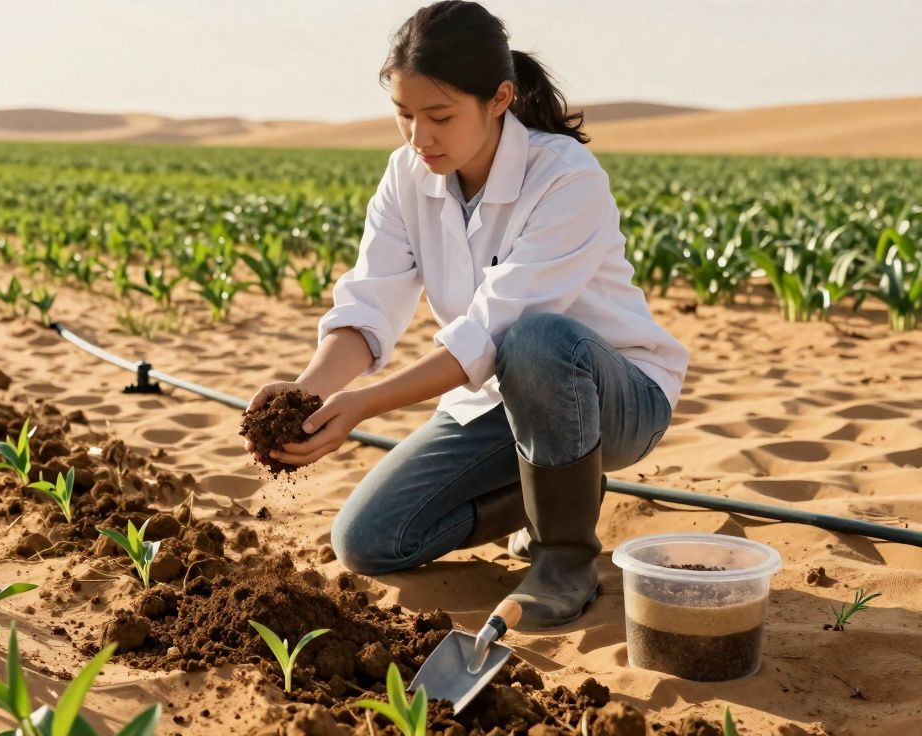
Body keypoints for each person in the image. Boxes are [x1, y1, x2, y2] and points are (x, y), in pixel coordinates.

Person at [244, 0, 689, 628]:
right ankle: (552, 494)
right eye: (404, 115)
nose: (419, 137)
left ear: (500, 98)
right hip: (496, 403)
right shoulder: (407, 176)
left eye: (440, 116)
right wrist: (310, 390)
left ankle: (563, 556)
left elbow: (493, 331)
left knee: (534, 339)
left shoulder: (565, 177)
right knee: (369, 541)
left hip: (616, 398)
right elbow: (372, 299)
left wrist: (364, 406)